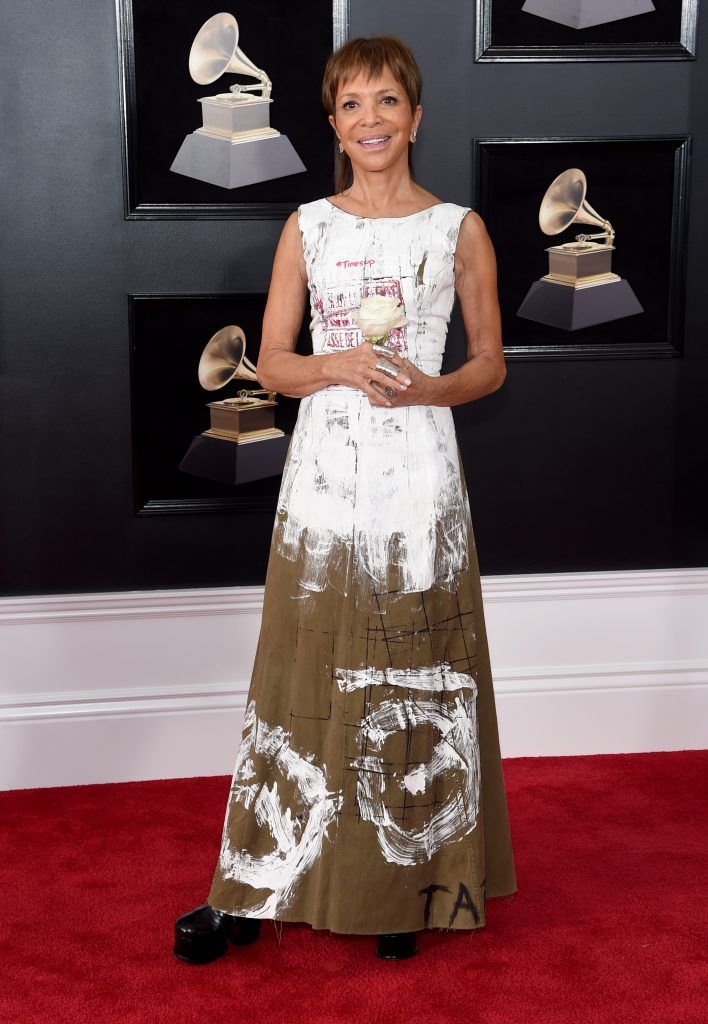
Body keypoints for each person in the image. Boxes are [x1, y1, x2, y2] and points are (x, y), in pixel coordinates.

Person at [174, 34, 516, 964]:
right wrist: (338, 366)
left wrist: (427, 387)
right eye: (353, 105)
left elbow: (488, 363)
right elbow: (273, 365)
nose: (371, 120)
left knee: (412, 665)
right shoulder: (307, 226)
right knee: (299, 673)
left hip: (420, 475)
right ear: (332, 125)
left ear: (416, 117)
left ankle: (402, 883)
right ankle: (251, 886)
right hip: (324, 476)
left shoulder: (459, 229)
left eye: (387, 102)